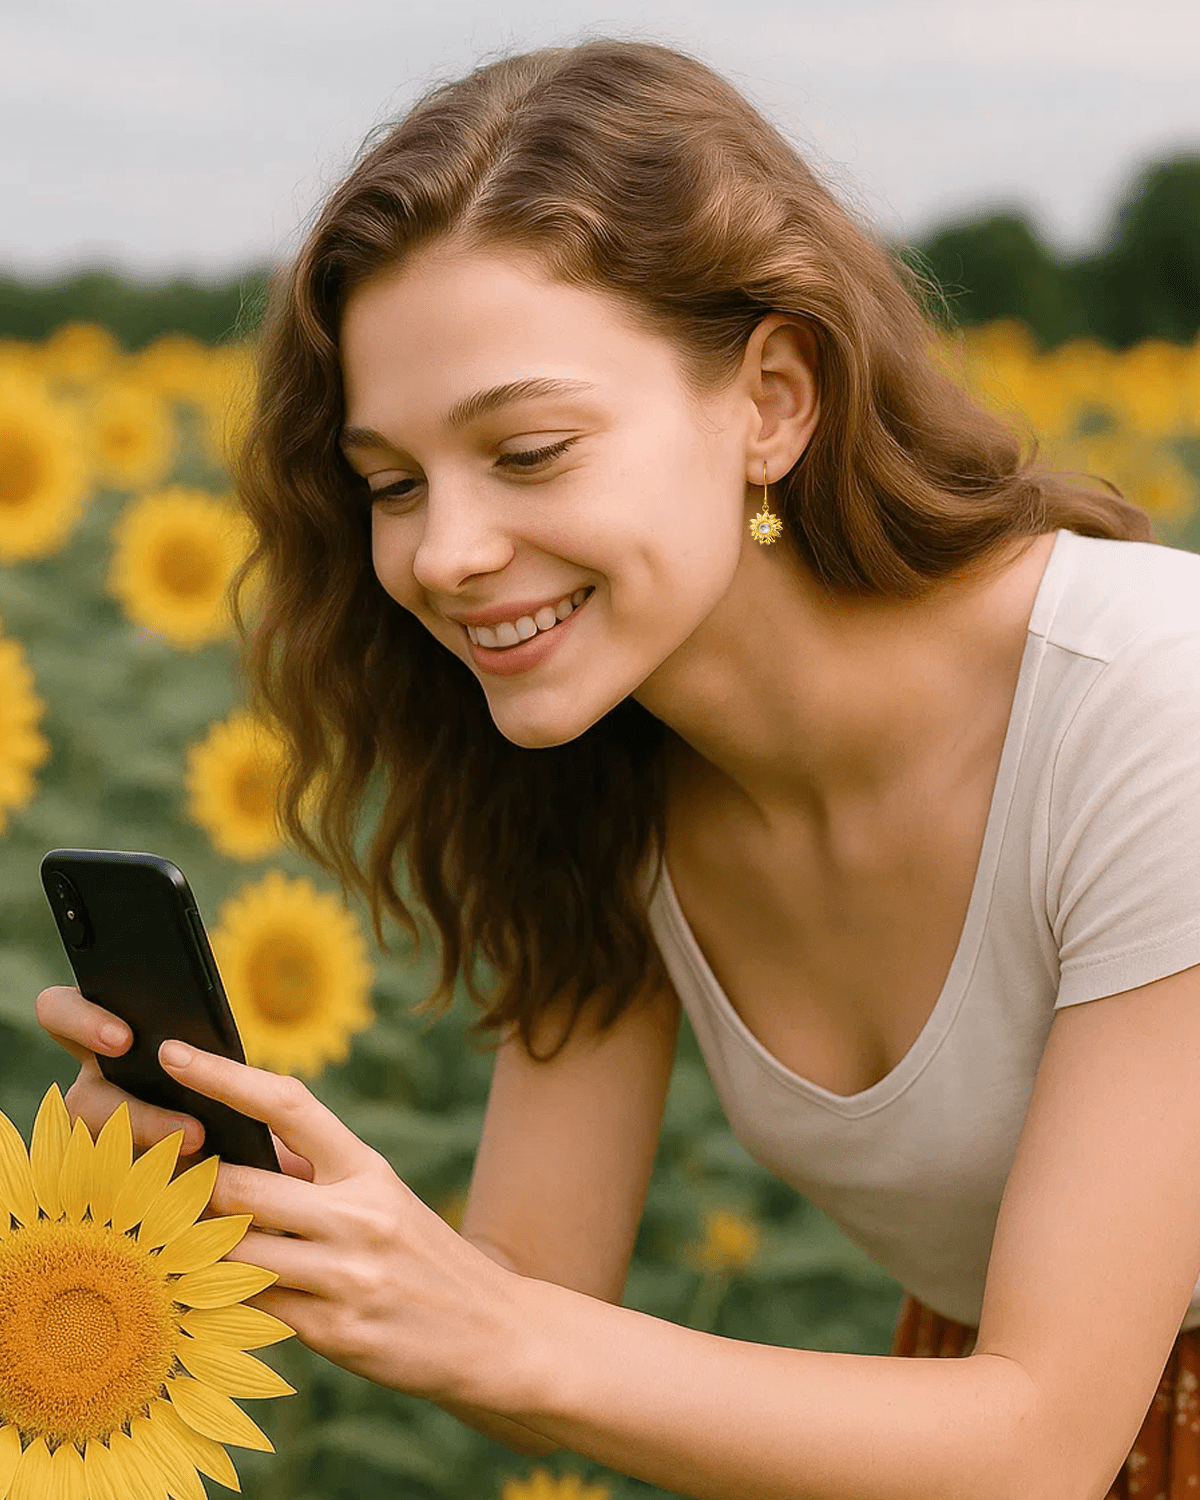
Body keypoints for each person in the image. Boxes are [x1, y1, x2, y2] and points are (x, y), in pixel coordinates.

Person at [37, 36, 1200, 1500]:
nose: (444, 553)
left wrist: (493, 1325)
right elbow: (531, 1304)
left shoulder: (1154, 707)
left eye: (527, 451)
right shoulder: (608, 770)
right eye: (391, 483)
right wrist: (309, 1223)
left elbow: (1037, 1438)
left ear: (773, 401)